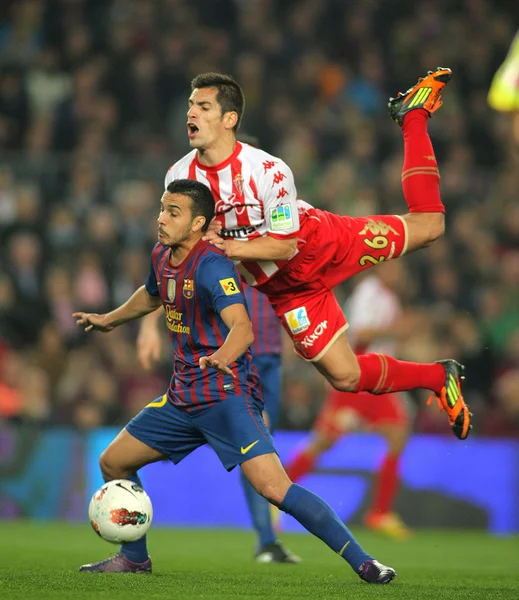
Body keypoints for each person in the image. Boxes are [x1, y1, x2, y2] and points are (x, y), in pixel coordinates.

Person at [74, 178, 395, 583]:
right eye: (161, 209)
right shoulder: (161, 255)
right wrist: (110, 318)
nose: (161, 219)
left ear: (197, 223)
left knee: (275, 488)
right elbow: (153, 294)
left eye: (173, 212)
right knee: (114, 461)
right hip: (182, 398)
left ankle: (365, 562)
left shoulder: (212, 265)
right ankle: (134, 557)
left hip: (226, 395)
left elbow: (242, 327)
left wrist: (222, 357)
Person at [165, 69, 471, 441]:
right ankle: (438, 377)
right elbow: (181, 248)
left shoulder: (268, 170)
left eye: (203, 106)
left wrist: (227, 247)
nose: (191, 113)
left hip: (323, 243)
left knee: (430, 227)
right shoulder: (179, 178)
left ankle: (413, 115)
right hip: (289, 292)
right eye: (190, 106)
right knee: (345, 376)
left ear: (229, 119)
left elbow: (285, 245)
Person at [137, 283, 300, 563]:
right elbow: (181, 282)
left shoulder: (274, 243)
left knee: (259, 445)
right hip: (235, 356)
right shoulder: (221, 248)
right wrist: (149, 325)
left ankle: (267, 539)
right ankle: (266, 538)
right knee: (254, 443)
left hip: (271, 354)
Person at [282, 261, 412, 540]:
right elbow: (361, 334)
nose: (400, 273)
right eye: (395, 267)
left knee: (398, 434)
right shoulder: (369, 293)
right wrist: (396, 331)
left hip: (377, 376)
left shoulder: (389, 297)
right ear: (382, 268)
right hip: (357, 374)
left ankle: (380, 512)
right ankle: (276, 491)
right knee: (324, 441)